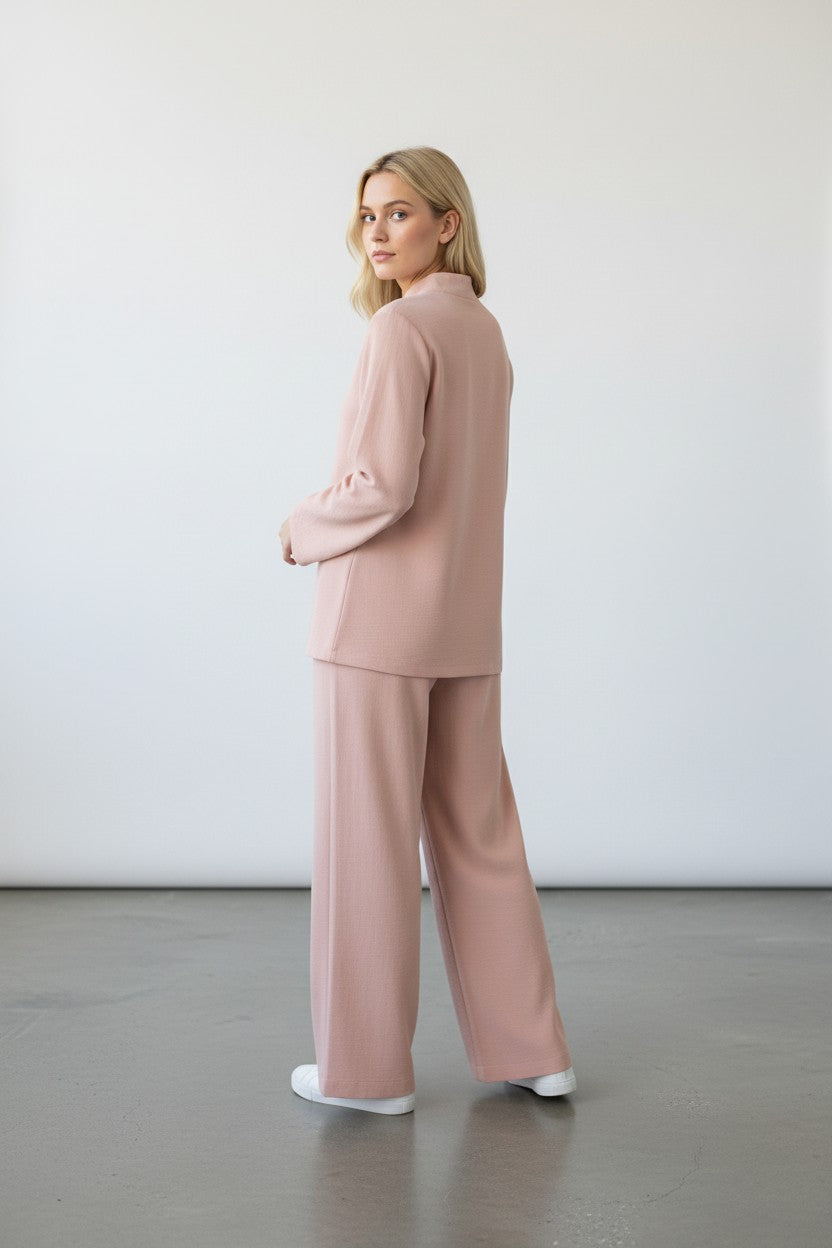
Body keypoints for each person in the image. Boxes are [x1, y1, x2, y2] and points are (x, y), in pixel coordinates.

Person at [279, 146, 576, 1115]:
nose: (377, 232)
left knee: (364, 847)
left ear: (448, 223)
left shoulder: (402, 330)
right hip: (462, 625)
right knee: (479, 835)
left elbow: (382, 489)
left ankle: (365, 1077)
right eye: (367, 216)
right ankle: (534, 1049)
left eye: (398, 213)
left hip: (375, 630)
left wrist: (299, 528)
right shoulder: (482, 332)